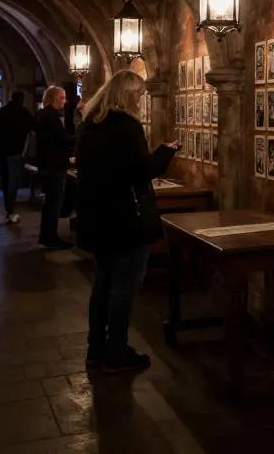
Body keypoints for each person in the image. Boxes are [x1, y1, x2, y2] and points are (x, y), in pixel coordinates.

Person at [75, 71, 179, 372]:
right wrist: (165, 152)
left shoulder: (90, 126)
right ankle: (116, 352)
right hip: (126, 219)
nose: (140, 100)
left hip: (99, 219)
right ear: (126, 95)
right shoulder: (124, 126)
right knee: (124, 287)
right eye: (137, 95)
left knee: (103, 285)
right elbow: (140, 171)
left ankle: (96, 349)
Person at [34, 87, 73, 249]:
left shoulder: (44, 115)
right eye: (62, 98)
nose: (64, 101)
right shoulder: (50, 116)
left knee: (51, 202)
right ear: (54, 98)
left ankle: (47, 236)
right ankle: (50, 238)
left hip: (48, 164)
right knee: (54, 203)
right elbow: (61, 139)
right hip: (53, 166)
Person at [0, 92, 35, 223]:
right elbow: (33, 128)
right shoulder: (23, 112)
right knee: (13, 182)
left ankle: (8, 207)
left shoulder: (2, 112)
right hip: (17, 151)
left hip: (1, 151)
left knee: (6, 181)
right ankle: (10, 210)